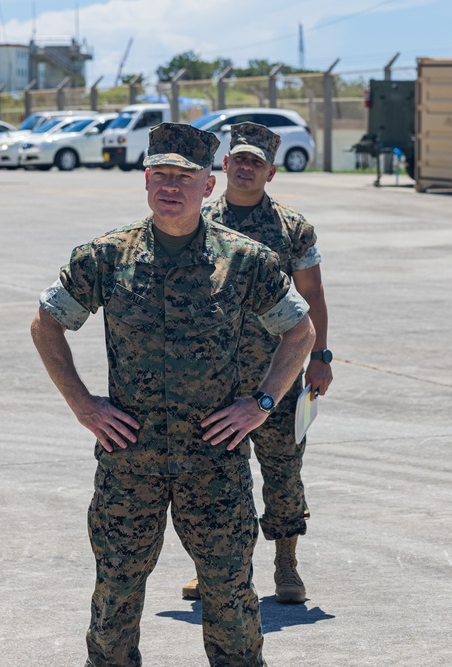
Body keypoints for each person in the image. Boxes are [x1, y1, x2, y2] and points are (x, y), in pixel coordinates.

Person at [30, 122, 315, 667]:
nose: (170, 186)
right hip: (128, 462)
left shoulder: (246, 259)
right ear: (144, 181)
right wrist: (84, 405)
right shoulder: (106, 256)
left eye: (183, 177)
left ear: (208, 186)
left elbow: (299, 332)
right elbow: (46, 324)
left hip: (215, 463)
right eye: (159, 174)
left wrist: (260, 405)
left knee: (230, 597)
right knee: (115, 594)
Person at [180, 122, 331, 604]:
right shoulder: (196, 220)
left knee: (284, 470)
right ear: (224, 166)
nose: (246, 167)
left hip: (278, 376)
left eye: (256, 162)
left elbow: (312, 296)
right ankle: (215, 569)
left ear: (270, 171)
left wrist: (320, 358)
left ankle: (286, 565)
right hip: (214, 375)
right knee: (213, 477)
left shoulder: (293, 227)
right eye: (238, 159)